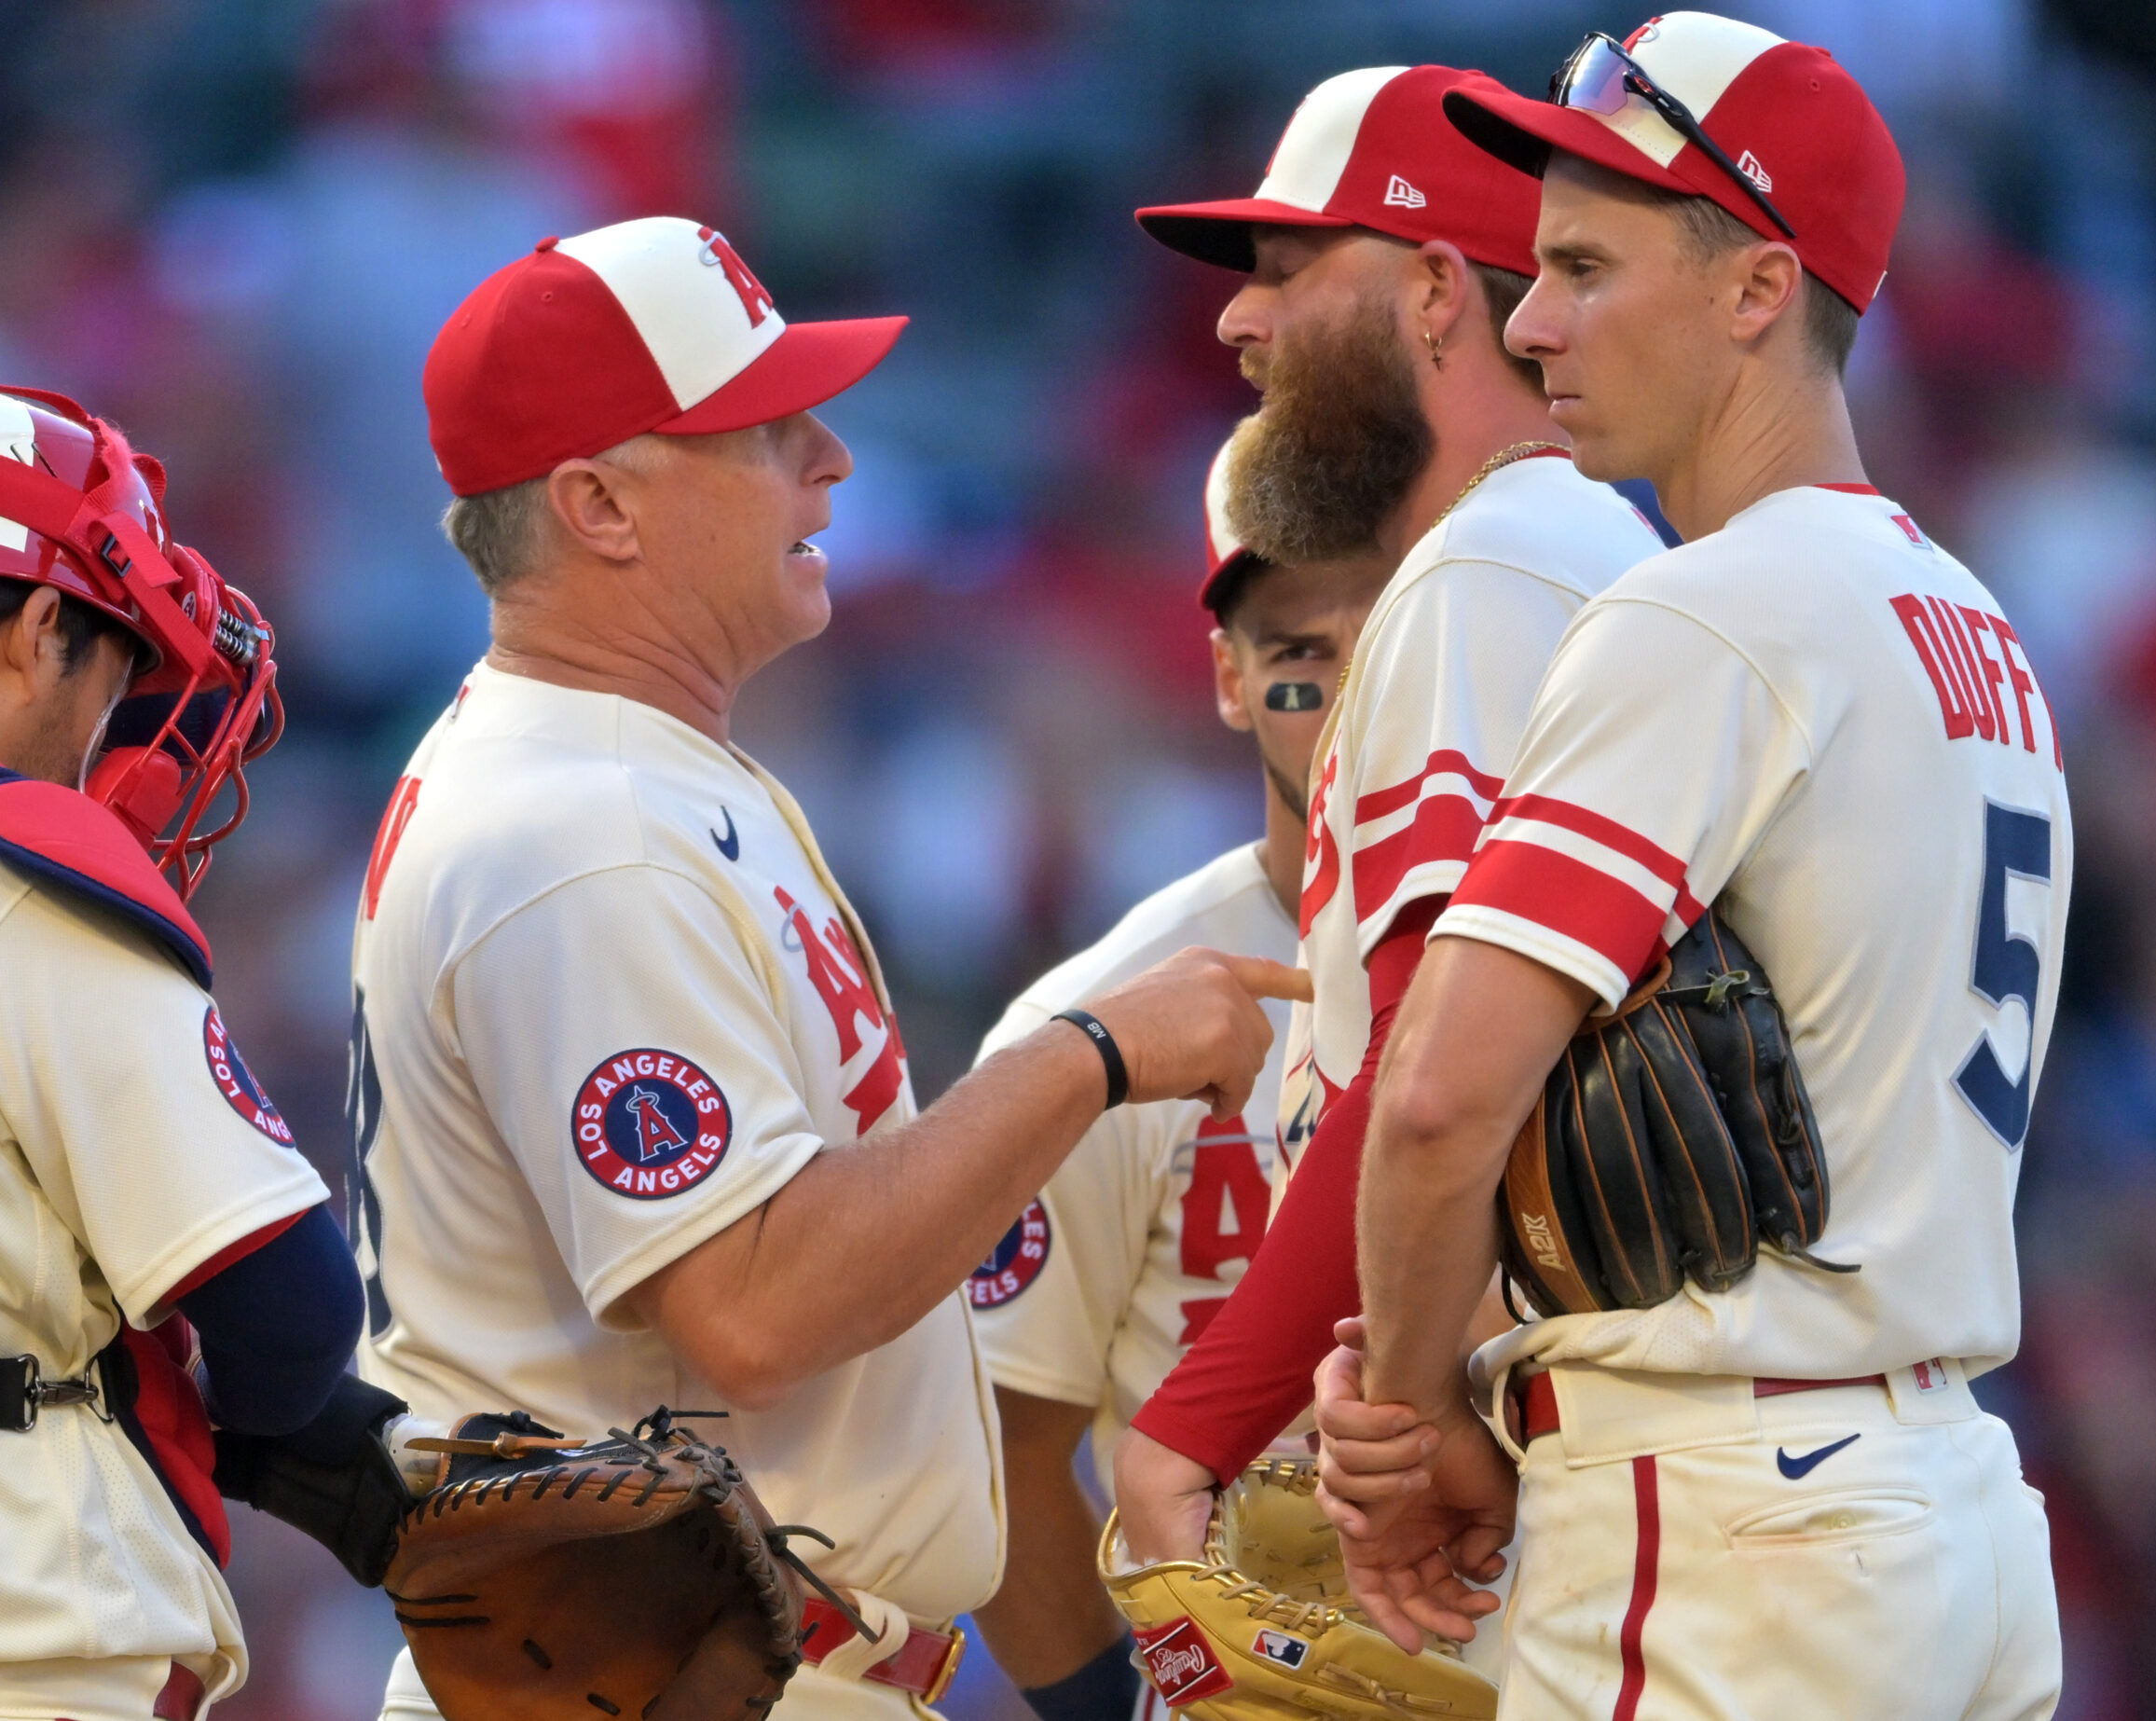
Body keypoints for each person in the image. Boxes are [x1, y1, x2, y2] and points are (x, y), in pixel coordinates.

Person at [348, 216, 1302, 1721]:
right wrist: (1090, 1056)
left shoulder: (636, 769)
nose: (833, 459)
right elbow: (758, 1308)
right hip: (664, 1673)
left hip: (713, 1667)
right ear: (598, 504)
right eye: (764, 430)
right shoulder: (582, 829)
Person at [1313, 16, 2065, 1719]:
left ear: (1755, 292)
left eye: (1586, 263)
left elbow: (1438, 1101)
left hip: (1736, 1516)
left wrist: (1416, 1413)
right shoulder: (1976, 623)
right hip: (1945, 1507)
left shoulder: (1708, 606)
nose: (1528, 318)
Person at [1108, 64, 1666, 1562]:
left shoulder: (1490, 568)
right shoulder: (1581, 546)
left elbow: (1432, 1065)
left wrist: (1202, 1422)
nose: (1238, 319)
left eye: (1289, 270)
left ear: (1435, 290)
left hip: (1555, 1467)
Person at [968, 431, 1396, 1721]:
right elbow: (1003, 1450)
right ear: (1225, 674)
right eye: (1295, 657)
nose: (1342, 700)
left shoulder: (1578, 965)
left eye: (1387, 648)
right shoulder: (1099, 1021)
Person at [0, 387, 364, 1721]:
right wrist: (284, 1423)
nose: (118, 730)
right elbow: (292, 1307)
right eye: (118, 670)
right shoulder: (29, 874)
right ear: (42, 630)